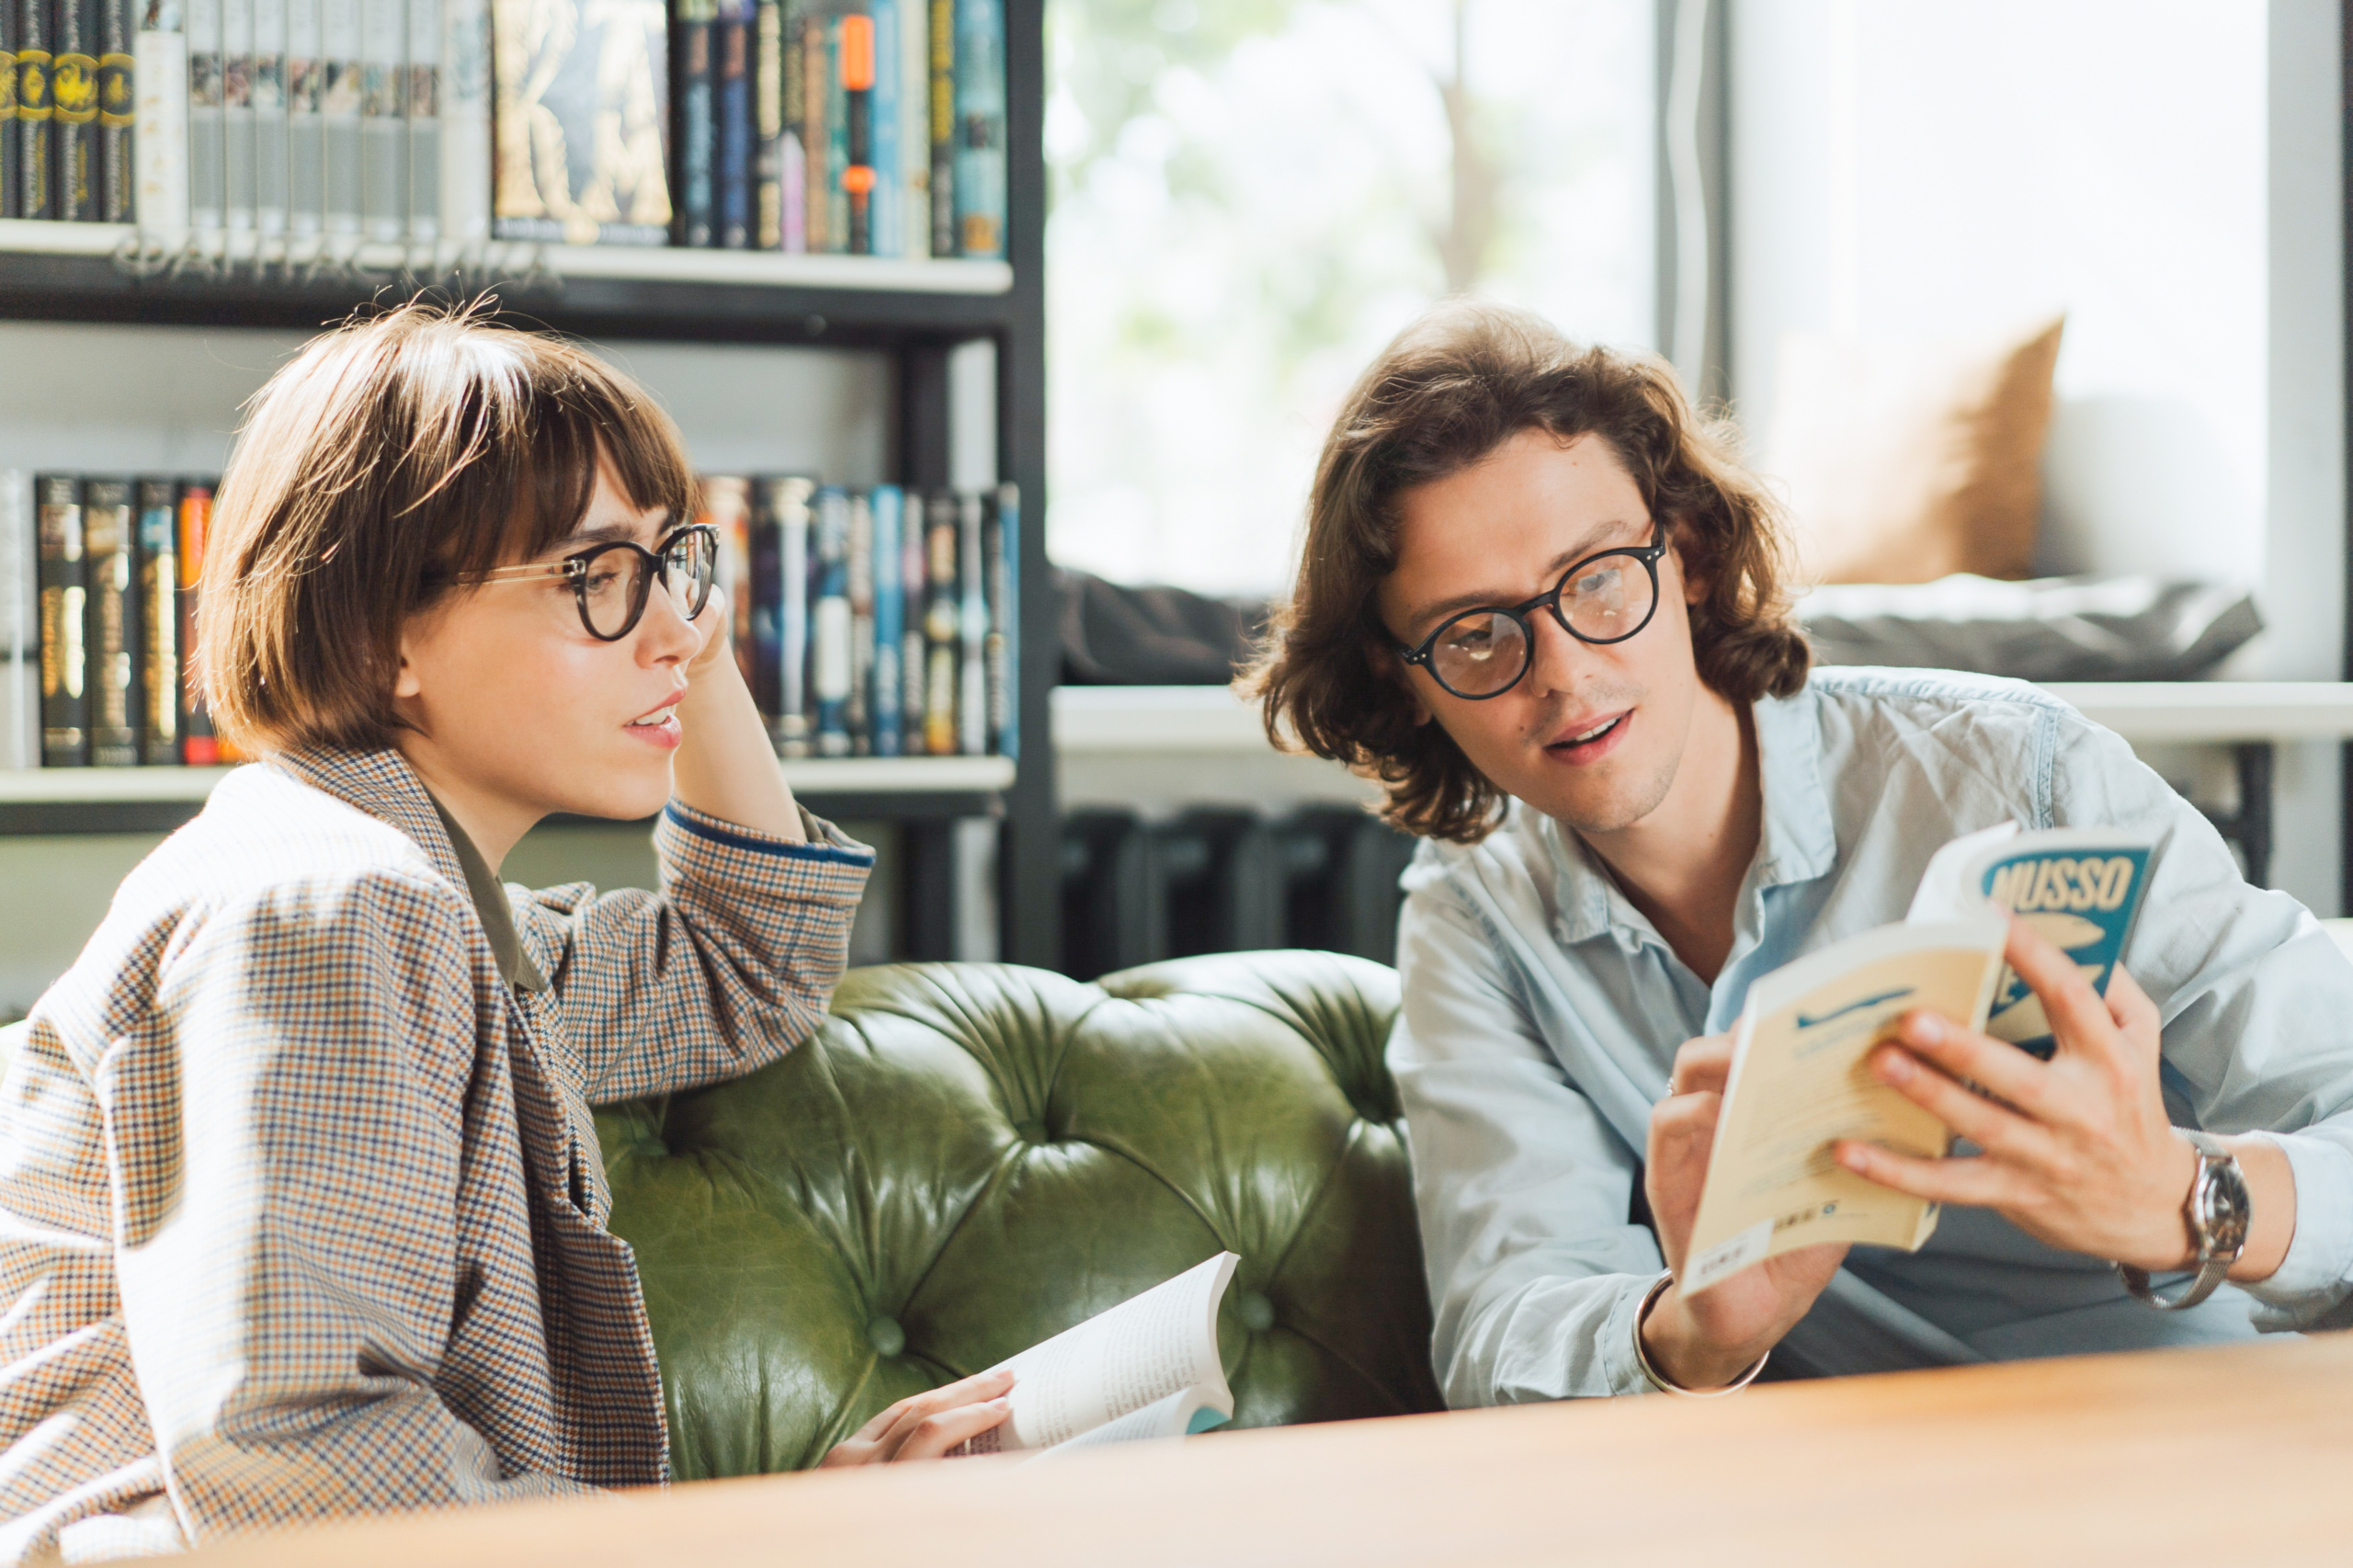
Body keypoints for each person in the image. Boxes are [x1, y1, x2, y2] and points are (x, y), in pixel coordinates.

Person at [0, 306, 1010, 1562]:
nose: (674, 637)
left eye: (670, 561)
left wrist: (665, 626)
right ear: (384, 635)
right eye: (593, 577)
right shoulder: (328, 905)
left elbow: (750, 963)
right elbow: (307, 1469)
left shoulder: (428, 904)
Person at [1247, 301, 2353, 1403]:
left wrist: (2182, 1196)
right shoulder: (1475, 912)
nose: (1563, 672)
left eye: (1594, 580)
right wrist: (1692, 1328)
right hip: (1834, 1494)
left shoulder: (2021, 774)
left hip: (2182, 1440)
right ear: (1402, 674)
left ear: (1680, 554)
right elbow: (1504, 1319)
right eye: (1475, 633)